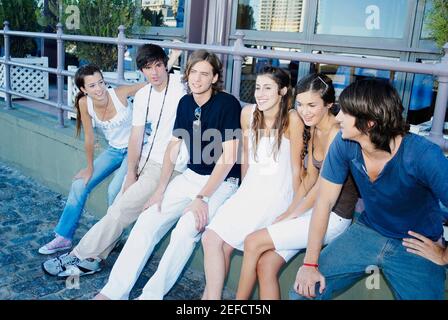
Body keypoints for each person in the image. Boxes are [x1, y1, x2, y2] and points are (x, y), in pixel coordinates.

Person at [94, 49, 241, 300]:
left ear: (215, 78)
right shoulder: (185, 102)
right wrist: (160, 190)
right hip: (189, 177)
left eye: (204, 74)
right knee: (147, 221)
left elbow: (229, 157)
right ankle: (113, 291)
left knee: (184, 231)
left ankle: (150, 297)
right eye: (193, 72)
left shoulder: (227, 104)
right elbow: (173, 146)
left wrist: (203, 197)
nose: (197, 78)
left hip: (220, 183)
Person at [293, 79, 448, 300]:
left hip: (416, 244)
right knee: (302, 292)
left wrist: (444, 255)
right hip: (369, 230)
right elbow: (324, 202)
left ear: (369, 123)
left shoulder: (424, 155)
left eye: (345, 112)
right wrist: (309, 264)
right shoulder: (344, 143)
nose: (337, 117)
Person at [41, 43, 187, 276]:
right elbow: (135, 135)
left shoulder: (181, 87)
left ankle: (80, 255)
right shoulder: (143, 96)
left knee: (118, 207)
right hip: (138, 157)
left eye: (159, 65)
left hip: (163, 164)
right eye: (148, 68)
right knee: (115, 204)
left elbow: (198, 81)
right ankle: (85, 251)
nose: (155, 72)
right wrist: (130, 172)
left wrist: (177, 55)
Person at [235, 73, 358, 300]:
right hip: (313, 209)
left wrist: (293, 214)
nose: (304, 111)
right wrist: (291, 210)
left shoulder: (336, 135)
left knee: (253, 242)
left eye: (312, 105)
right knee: (266, 265)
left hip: (334, 217)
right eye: (300, 104)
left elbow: (322, 187)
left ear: (329, 104)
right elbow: (310, 177)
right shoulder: (312, 128)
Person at [201, 66, 303, 300]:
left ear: (283, 91)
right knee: (212, 240)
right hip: (249, 190)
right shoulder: (248, 113)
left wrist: (294, 208)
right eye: (258, 87)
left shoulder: (292, 119)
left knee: (223, 246)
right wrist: (241, 191)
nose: (261, 93)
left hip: (276, 195)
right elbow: (246, 158)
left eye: (268, 88)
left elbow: (297, 168)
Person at [38, 64, 145, 255]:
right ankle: (63, 237)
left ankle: (112, 238)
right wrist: (89, 167)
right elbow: (89, 137)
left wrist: (171, 61)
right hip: (114, 150)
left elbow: (149, 84)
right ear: (83, 90)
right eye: (93, 86)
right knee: (79, 185)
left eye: (101, 82)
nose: (100, 89)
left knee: (115, 191)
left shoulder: (119, 94)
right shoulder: (84, 103)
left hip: (135, 149)